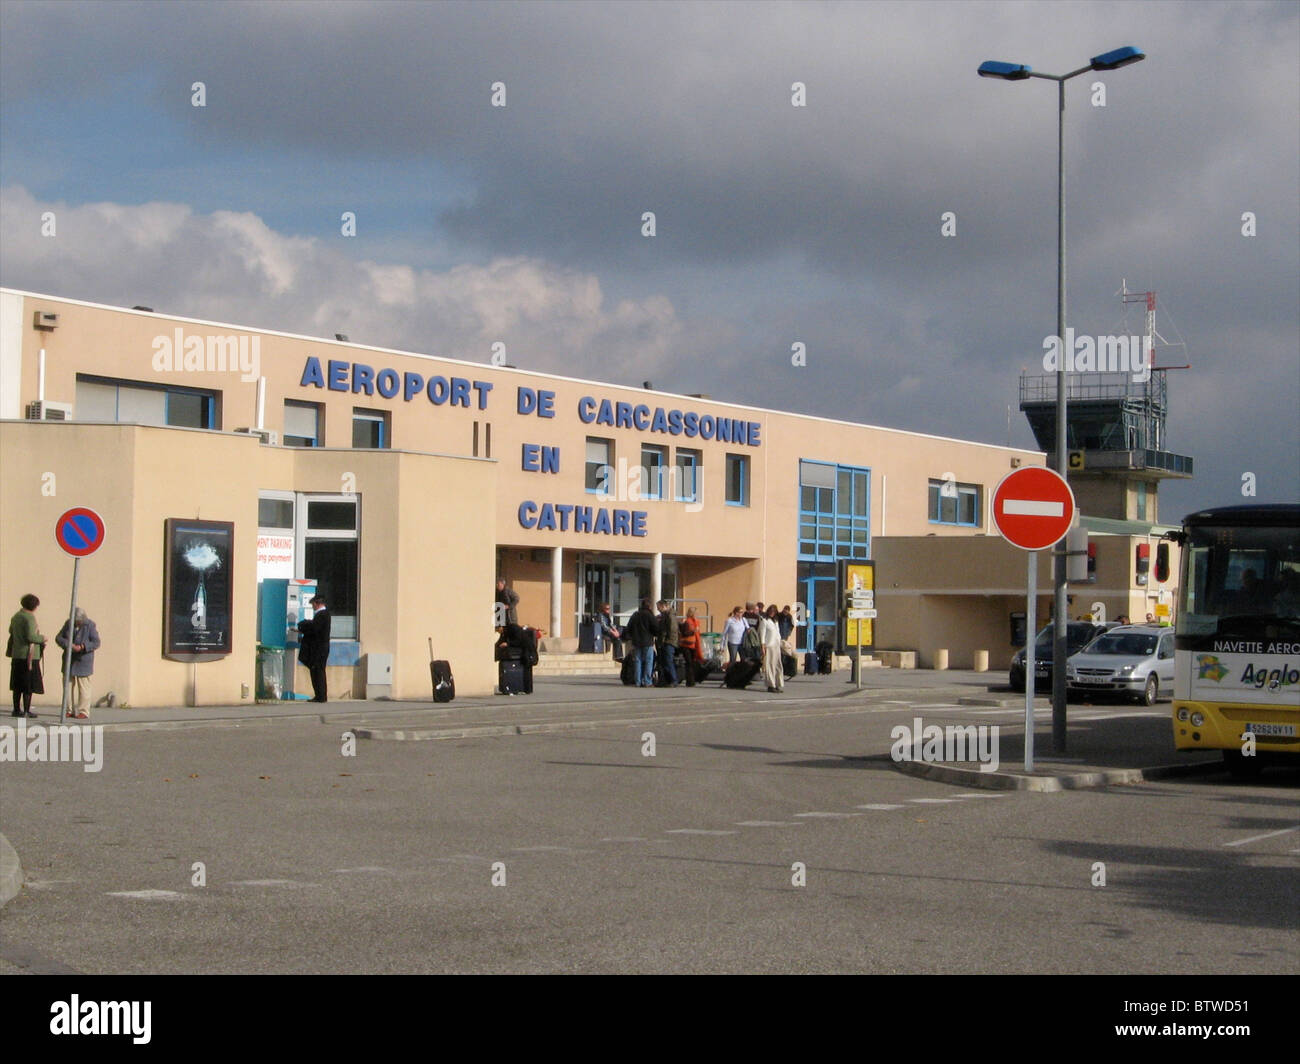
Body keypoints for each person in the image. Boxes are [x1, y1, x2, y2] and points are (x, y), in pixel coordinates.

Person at [55, 607, 101, 720]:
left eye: (78, 621)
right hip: (69, 660)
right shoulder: (68, 623)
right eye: (75, 620)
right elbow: (59, 638)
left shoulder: (90, 625)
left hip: (83, 660)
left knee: (84, 687)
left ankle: (84, 711)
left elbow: (96, 642)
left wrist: (83, 647)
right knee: (67, 686)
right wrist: (69, 644)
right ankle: (68, 710)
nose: (77, 623)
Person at [8, 593, 46, 718]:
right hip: (28, 656)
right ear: (34, 606)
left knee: (17, 684)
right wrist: (42, 638)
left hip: (17, 654)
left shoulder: (16, 616)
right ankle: (26, 710)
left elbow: (11, 631)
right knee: (28, 685)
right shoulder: (29, 618)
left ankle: (16, 709)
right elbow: (31, 636)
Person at [296, 595, 331, 703]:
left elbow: (315, 629)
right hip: (320, 648)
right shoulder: (323, 614)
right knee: (316, 671)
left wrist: (303, 626)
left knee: (318, 671)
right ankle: (319, 695)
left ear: (317, 603)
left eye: (313, 604)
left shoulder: (322, 614)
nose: (312, 607)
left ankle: (321, 696)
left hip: (319, 649)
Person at [624, 599, 658, 688]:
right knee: (648, 661)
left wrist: (630, 637)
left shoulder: (635, 615)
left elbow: (629, 627)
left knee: (637, 661)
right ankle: (647, 681)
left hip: (636, 641)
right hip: (647, 641)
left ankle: (638, 681)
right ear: (649, 606)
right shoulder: (650, 615)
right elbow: (655, 628)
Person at [759, 604, 784, 692]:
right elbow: (762, 635)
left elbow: (778, 633)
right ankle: (770, 685)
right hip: (769, 645)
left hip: (777, 645)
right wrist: (763, 646)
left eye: (774, 612)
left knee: (778, 665)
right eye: (770, 611)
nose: (772, 613)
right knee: (770, 666)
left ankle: (777, 683)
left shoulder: (776, 621)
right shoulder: (764, 621)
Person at [655, 601, 679, 686]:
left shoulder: (670, 616)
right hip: (665, 641)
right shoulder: (665, 615)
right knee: (664, 662)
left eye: (658, 607)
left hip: (669, 642)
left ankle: (674, 680)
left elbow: (672, 630)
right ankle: (667, 680)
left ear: (664, 606)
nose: (658, 609)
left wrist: (666, 640)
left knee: (668, 661)